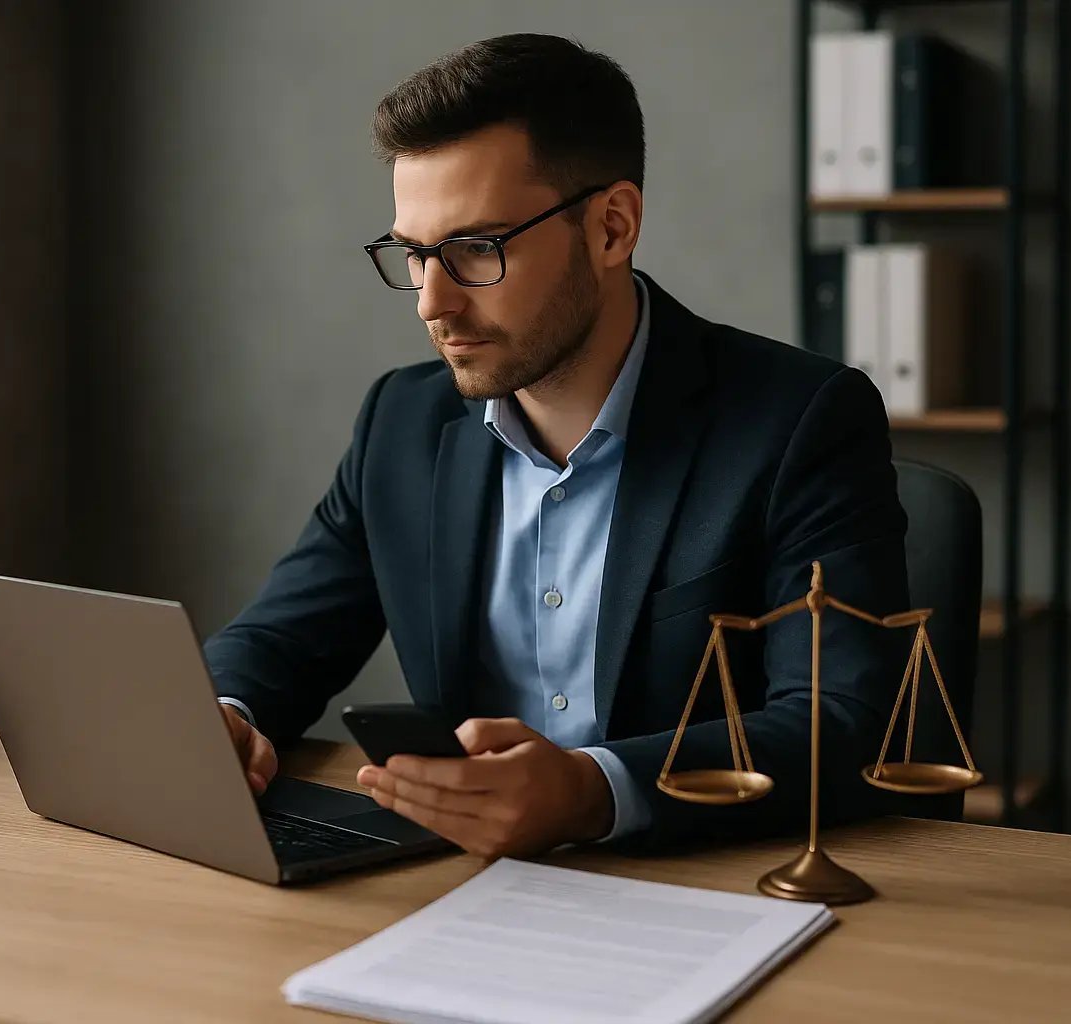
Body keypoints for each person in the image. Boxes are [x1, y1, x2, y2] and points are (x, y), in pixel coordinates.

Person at [204, 33, 908, 856]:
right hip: (469, 892)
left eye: (476, 248)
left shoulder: (801, 420)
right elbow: (279, 639)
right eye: (414, 253)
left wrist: (591, 791)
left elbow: (844, 721)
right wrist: (225, 715)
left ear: (611, 227)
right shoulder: (402, 422)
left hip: (716, 891)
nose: (433, 303)